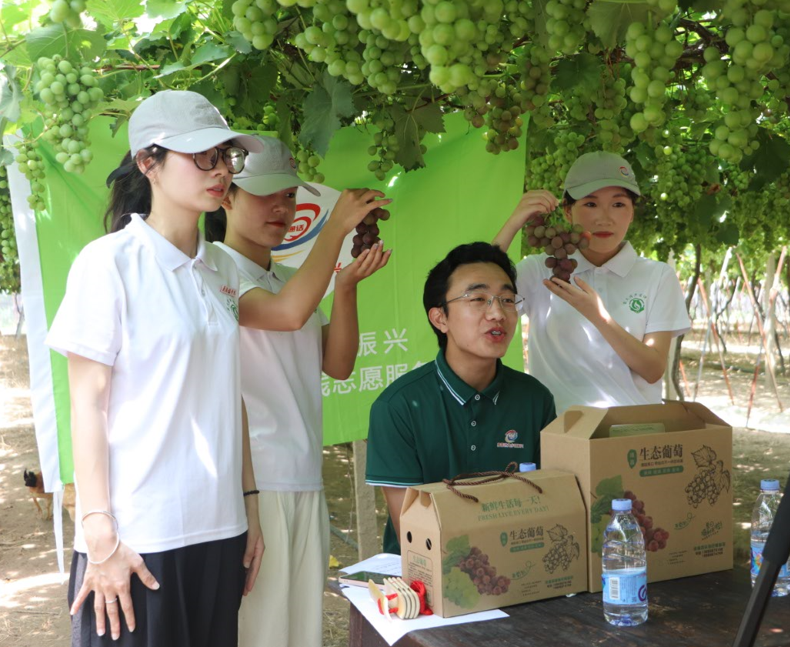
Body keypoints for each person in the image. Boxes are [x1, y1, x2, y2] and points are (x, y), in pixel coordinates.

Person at [46, 90, 264, 646]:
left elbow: (228, 393)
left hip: (220, 530)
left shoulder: (222, 268)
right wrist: (100, 533)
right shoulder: (108, 263)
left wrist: (250, 506)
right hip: (137, 539)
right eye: (202, 156)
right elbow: (88, 404)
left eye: (226, 156)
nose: (220, 170)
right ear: (149, 162)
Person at [206, 135, 390, 647]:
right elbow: (286, 315)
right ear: (226, 196)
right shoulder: (215, 270)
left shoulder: (290, 278)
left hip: (305, 476)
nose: (281, 208)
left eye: (288, 195)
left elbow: (338, 364)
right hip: (253, 484)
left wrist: (345, 287)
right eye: (264, 194)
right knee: (260, 631)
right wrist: (336, 228)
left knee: (301, 631)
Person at [365, 242, 556, 554]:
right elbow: (412, 532)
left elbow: (548, 504)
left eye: (507, 300)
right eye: (478, 299)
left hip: (518, 562)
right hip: (426, 570)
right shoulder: (398, 406)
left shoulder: (535, 399)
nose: (497, 313)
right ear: (440, 318)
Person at [493, 151, 691, 414]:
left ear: (632, 213)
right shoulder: (540, 269)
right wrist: (514, 222)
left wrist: (599, 316)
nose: (604, 218)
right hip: (559, 428)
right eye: (590, 204)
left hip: (633, 429)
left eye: (618, 204)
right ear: (567, 212)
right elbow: (476, 295)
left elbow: (653, 370)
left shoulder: (658, 276)